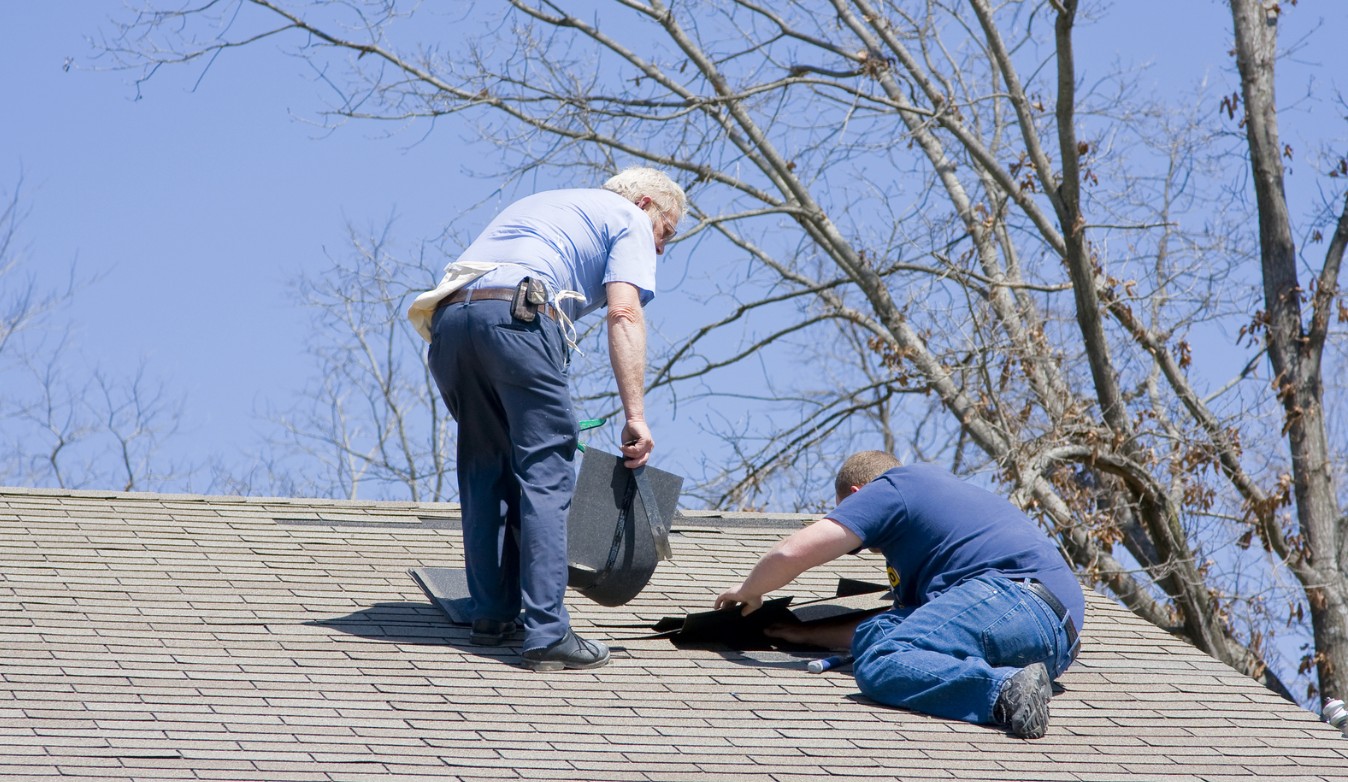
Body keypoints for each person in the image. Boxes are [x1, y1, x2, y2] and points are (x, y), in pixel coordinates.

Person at [416, 167, 686, 671]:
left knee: (484, 468)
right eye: (666, 233)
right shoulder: (628, 216)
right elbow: (624, 313)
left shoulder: (551, 205)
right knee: (544, 473)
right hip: (517, 318)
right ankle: (547, 632)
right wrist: (636, 416)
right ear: (647, 203)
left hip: (451, 323)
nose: (662, 249)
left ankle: (493, 615)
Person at [715, 451, 1084, 738]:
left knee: (879, 661)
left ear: (859, 496)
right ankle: (1017, 682)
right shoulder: (939, 524)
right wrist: (805, 635)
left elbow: (795, 551)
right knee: (881, 633)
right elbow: (907, 627)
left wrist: (749, 590)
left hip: (1014, 600)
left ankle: (1004, 690)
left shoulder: (894, 486)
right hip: (1051, 643)